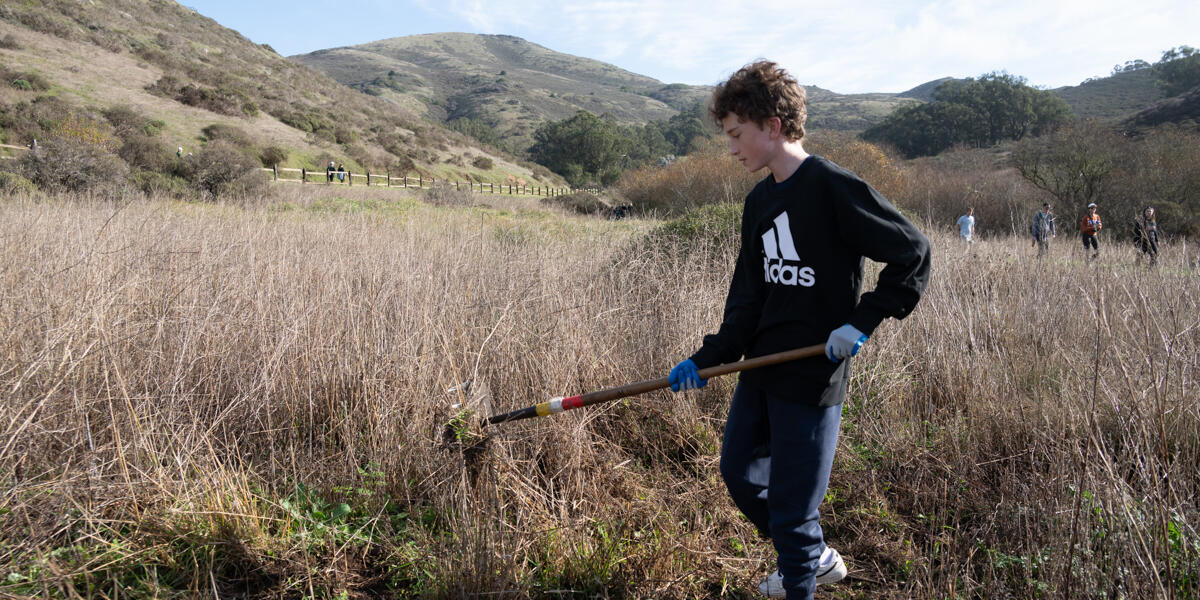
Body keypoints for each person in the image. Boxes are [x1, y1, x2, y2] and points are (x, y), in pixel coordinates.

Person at [666, 60, 931, 600]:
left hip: (813, 373)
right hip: (760, 370)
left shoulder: (832, 187)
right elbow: (747, 300)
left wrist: (861, 321)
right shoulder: (758, 202)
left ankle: (800, 570)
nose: (732, 148)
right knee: (739, 473)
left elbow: (913, 254)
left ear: (773, 126)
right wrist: (708, 356)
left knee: (790, 506)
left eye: (738, 134)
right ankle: (809, 553)